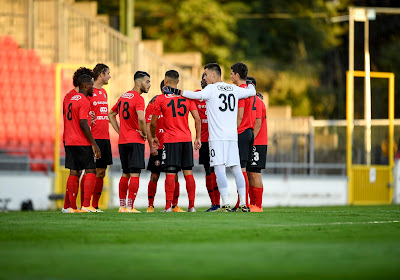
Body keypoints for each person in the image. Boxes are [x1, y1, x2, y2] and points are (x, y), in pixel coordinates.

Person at [173, 63, 256, 212]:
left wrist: (176, 91)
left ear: (213, 75)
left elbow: (196, 95)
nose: (204, 77)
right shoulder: (233, 88)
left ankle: (225, 203)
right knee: (237, 169)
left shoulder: (211, 89)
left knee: (219, 169)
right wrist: (250, 85)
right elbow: (251, 92)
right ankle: (244, 203)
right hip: (232, 136)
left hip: (217, 138)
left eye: (205, 74)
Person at [151, 70, 201, 212]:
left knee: (171, 173)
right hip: (186, 139)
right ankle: (191, 206)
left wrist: (154, 136)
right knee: (188, 173)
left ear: (165, 80)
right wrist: (197, 137)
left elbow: (153, 122)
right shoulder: (187, 98)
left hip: (170, 140)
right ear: (178, 82)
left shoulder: (161, 99)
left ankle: (168, 207)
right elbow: (197, 119)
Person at [108, 71, 150, 213]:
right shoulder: (138, 99)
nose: (149, 85)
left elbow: (111, 114)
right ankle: (130, 206)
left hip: (123, 141)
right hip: (135, 141)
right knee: (135, 174)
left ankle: (122, 206)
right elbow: (141, 118)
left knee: (125, 173)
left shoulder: (123, 96)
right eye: (147, 82)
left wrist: (120, 131)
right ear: (139, 83)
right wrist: (144, 133)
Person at [63, 74, 101, 213]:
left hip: (69, 140)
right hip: (81, 141)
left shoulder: (71, 99)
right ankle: (86, 205)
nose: (93, 87)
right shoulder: (84, 101)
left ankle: (72, 208)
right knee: (91, 170)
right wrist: (94, 144)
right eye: (91, 84)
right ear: (85, 86)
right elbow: (83, 123)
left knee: (74, 172)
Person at [145, 80, 184, 212]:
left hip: (172, 144)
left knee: (174, 175)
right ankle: (150, 205)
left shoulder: (177, 101)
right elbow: (148, 124)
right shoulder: (154, 103)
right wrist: (151, 144)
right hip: (159, 145)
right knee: (155, 176)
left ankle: (174, 205)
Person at [80, 64, 112, 212]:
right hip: (94, 138)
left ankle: (95, 205)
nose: (109, 76)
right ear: (101, 75)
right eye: (108, 74)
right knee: (90, 172)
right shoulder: (89, 91)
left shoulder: (104, 92)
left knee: (101, 172)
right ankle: (84, 205)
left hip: (105, 137)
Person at [230, 62, 259, 211]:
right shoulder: (249, 90)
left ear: (237, 75)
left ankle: (244, 203)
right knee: (243, 170)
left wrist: (232, 132)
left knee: (240, 170)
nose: (230, 76)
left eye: (231, 73)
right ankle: (241, 202)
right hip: (249, 132)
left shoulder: (240, 92)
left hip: (241, 132)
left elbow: (239, 116)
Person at [192, 73, 220, 212]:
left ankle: (220, 203)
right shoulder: (197, 96)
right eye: (202, 79)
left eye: (205, 78)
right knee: (208, 171)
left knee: (217, 171)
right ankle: (214, 204)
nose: (203, 81)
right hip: (204, 140)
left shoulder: (219, 94)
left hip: (217, 138)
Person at [246, 77, 267, 213]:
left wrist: (250, 140)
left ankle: (257, 205)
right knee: (248, 173)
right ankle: (251, 203)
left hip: (257, 142)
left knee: (255, 173)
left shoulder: (257, 101)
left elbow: (258, 123)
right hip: (251, 141)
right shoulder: (251, 101)